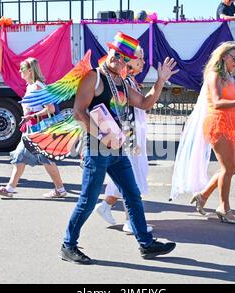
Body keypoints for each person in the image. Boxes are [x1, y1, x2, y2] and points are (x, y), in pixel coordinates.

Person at [61, 32, 179, 264]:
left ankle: (146, 244)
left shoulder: (122, 82)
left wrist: (160, 81)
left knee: (132, 195)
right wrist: (103, 136)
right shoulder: (93, 78)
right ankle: (68, 245)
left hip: (117, 147)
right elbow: (78, 112)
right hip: (97, 148)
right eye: (116, 54)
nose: (119, 60)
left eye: (125, 58)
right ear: (110, 51)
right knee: (88, 199)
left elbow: (144, 103)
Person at [182, 42, 235, 224]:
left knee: (234, 167)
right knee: (227, 168)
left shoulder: (229, 75)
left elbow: (231, 98)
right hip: (218, 122)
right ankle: (224, 207)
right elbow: (216, 102)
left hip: (230, 122)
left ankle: (203, 195)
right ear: (224, 56)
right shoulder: (214, 75)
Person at [94, 45, 152, 234]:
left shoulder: (130, 80)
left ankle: (105, 206)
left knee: (127, 177)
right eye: (140, 58)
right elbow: (124, 113)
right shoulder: (123, 80)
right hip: (128, 139)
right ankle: (130, 221)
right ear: (129, 60)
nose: (143, 62)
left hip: (133, 137)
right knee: (132, 179)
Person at [0, 58, 67, 199]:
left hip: (38, 129)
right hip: (32, 129)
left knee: (45, 159)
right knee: (20, 157)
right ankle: (10, 188)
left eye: (22, 69)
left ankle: (60, 189)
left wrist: (31, 116)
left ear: (30, 71)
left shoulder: (37, 87)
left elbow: (49, 108)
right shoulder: (32, 86)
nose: (20, 71)